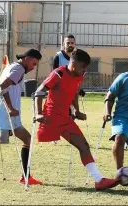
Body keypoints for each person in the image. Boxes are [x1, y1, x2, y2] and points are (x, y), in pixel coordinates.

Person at [34, 49, 120, 190]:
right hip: (51, 118)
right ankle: (25, 174)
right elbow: (39, 91)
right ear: (73, 63)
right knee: (36, 147)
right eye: (83, 67)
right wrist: (38, 113)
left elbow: (74, 91)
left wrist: (77, 110)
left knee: (84, 146)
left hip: (65, 119)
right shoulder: (58, 74)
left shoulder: (79, 74)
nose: (84, 71)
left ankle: (99, 180)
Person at [0, 48, 43, 185]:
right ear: (27, 58)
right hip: (8, 112)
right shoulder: (19, 69)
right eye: (34, 63)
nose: (33, 68)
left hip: (2, 111)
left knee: (26, 139)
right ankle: (25, 177)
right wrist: (10, 108)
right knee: (28, 139)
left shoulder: (12, 66)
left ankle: (26, 176)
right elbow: (3, 87)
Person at [51, 34, 85, 145]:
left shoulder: (77, 58)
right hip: (60, 91)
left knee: (73, 113)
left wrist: (79, 88)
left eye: (72, 43)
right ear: (63, 44)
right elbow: (54, 74)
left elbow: (79, 75)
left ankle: (67, 132)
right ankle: (54, 135)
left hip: (72, 91)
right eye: (68, 43)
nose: (70, 45)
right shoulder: (58, 57)